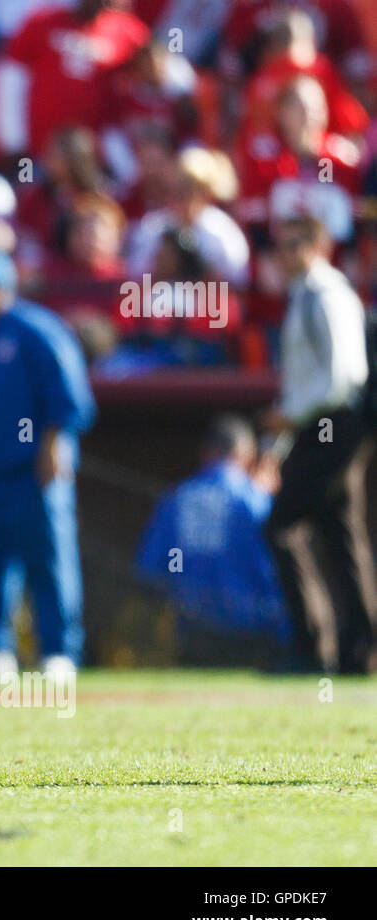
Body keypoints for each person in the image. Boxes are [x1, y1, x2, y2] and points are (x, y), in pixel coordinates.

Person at [0, 246, 96, 676]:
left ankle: (59, 651)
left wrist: (53, 445)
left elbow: (68, 398)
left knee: (47, 560)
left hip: (30, 471)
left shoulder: (36, 330)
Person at [262, 215, 377, 674]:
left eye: (292, 245)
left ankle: (312, 648)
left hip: (333, 428)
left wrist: (288, 417)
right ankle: (357, 654)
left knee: (281, 527)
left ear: (315, 246)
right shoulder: (305, 296)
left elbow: (343, 377)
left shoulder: (328, 295)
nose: (283, 255)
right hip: (321, 427)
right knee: (340, 534)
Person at [136, 415, 288, 665]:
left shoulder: (176, 499)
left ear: (205, 453)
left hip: (192, 632)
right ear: (248, 456)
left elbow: (148, 571)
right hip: (253, 635)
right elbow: (278, 573)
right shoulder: (256, 501)